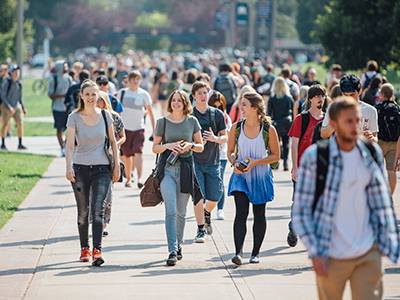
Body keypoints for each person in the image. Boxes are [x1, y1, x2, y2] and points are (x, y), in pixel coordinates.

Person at [292, 97, 400, 300]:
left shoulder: (371, 152)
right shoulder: (316, 157)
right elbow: (301, 210)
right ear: (333, 124)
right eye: (348, 121)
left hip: (368, 252)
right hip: (330, 254)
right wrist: (315, 251)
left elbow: (382, 201)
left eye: (358, 120)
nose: (355, 126)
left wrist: (388, 241)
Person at [65, 80, 120, 267]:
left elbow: (113, 142)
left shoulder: (106, 116)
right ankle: (84, 248)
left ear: (99, 96)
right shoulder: (74, 117)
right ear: (81, 96)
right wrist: (68, 167)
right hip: (80, 168)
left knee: (98, 210)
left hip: (102, 169)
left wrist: (117, 167)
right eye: (87, 94)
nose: (90, 98)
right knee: (83, 212)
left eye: (93, 94)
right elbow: (70, 144)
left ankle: (97, 250)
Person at [227, 92, 280, 265]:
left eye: (244, 105)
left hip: (260, 176)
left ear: (255, 108)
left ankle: (255, 253)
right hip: (240, 176)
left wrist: (256, 162)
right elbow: (230, 153)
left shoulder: (268, 130)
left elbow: (275, 156)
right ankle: (238, 253)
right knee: (241, 213)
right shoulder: (235, 128)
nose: (240, 108)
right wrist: (235, 162)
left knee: (259, 214)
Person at [152, 90, 204, 266]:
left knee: (181, 212)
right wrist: (168, 145)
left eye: (179, 101)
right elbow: (155, 148)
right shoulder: (162, 122)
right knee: (171, 210)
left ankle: (179, 244)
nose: (176, 103)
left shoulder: (192, 121)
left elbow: (201, 147)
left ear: (185, 103)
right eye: (173, 100)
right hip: (167, 171)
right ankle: (172, 250)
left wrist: (190, 145)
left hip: (186, 170)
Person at [287, 84, 326, 247]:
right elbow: (294, 144)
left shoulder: (328, 120)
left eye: (323, 96)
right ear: (310, 99)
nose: (321, 99)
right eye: (317, 96)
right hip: (303, 168)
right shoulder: (301, 119)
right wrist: (295, 167)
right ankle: (293, 227)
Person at [192, 81, 227, 242]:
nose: (203, 96)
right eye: (199, 93)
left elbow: (226, 137)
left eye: (205, 92)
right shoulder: (190, 116)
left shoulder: (217, 114)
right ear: (194, 96)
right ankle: (200, 230)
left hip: (213, 162)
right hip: (194, 162)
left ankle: (207, 213)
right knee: (199, 197)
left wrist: (215, 138)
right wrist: (197, 144)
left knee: (215, 196)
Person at [117, 70, 155, 188]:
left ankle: (139, 179)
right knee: (127, 156)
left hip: (139, 128)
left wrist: (155, 130)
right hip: (125, 129)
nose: (135, 81)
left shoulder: (144, 94)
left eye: (137, 79)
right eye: (133, 79)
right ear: (128, 81)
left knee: (138, 152)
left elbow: (150, 112)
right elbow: (117, 112)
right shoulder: (122, 93)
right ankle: (128, 179)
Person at [96, 91, 126, 236]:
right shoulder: (89, 117)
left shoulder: (114, 117)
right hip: (93, 157)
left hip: (110, 157)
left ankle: (104, 221)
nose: (96, 103)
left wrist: (114, 145)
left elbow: (123, 136)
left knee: (108, 191)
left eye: (99, 100)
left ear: (105, 101)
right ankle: (96, 220)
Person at [321, 75, 378, 143]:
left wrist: (371, 139)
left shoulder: (371, 110)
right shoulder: (333, 108)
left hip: (361, 151)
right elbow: (323, 134)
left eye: (352, 95)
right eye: (345, 95)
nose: (349, 98)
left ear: (360, 91)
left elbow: (375, 138)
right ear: (342, 93)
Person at [208, 91, 232, 220]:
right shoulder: (206, 115)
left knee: (219, 181)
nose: (217, 109)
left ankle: (220, 208)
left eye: (220, 106)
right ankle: (208, 207)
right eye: (214, 106)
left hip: (221, 154)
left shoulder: (226, 118)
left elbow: (228, 136)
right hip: (207, 154)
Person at [375, 83, 400, 194]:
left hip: (379, 142)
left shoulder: (378, 108)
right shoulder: (397, 108)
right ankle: (390, 196)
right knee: (391, 171)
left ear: (382, 94)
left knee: (377, 170)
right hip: (394, 143)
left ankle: (379, 194)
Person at [48, 60, 73, 157]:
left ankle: (66, 146)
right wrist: (62, 96)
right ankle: (62, 148)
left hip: (68, 108)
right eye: (64, 65)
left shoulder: (69, 79)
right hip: (57, 107)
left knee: (69, 129)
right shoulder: (53, 79)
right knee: (59, 129)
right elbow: (50, 94)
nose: (66, 67)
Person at [268, 77, 293, 171]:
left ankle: (276, 162)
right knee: (286, 143)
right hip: (286, 123)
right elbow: (292, 112)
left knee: (275, 144)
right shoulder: (288, 98)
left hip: (275, 124)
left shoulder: (272, 98)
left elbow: (269, 113)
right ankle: (286, 162)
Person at [0, 65, 27, 150]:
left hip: (16, 106)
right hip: (6, 106)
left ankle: (20, 143)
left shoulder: (19, 83)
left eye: (17, 72)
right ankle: (3, 143)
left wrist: (23, 107)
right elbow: (3, 96)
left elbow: (20, 97)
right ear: (11, 73)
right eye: (15, 72)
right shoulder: (6, 82)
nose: (16, 74)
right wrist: (9, 107)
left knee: (20, 123)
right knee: (5, 124)